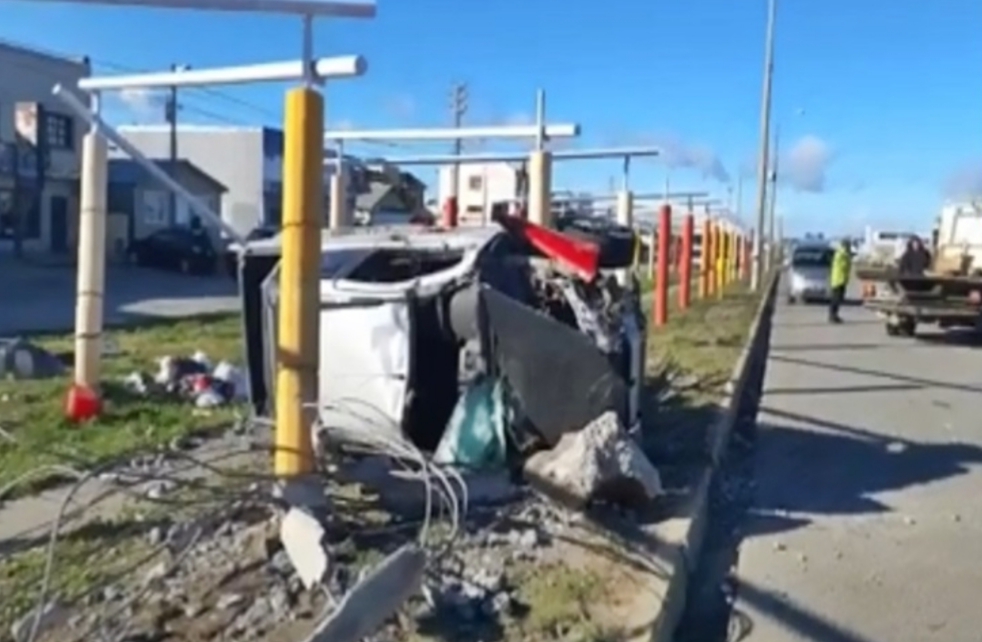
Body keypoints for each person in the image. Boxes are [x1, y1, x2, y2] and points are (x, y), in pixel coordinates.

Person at [828, 239, 852, 324]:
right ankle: (832, 315)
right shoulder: (841, 254)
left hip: (841, 279)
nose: (850, 247)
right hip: (838, 279)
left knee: (839, 298)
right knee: (836, 299)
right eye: (849, 245)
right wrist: (849, 257)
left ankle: (834, 315)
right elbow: (843, 265)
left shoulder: (843, 253)